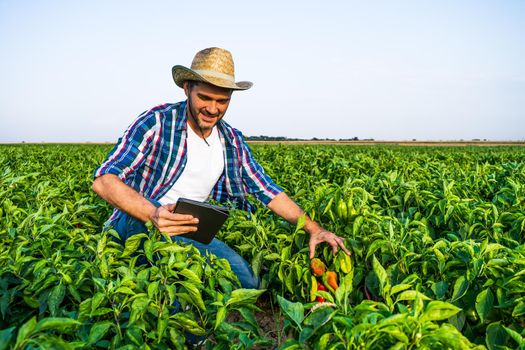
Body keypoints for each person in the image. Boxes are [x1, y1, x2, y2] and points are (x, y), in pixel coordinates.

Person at [92, 47, 350, 289]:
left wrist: (315, 229)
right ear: (186, 89)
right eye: (204, 97)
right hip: (139, 222)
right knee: (166, 290)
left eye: (222, 101)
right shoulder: (158, 122)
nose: (212, 109)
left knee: (248, 284)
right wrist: (154, 214)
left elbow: (267, 190)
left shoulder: (231, 141)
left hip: (188, 231)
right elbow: (104, 180)